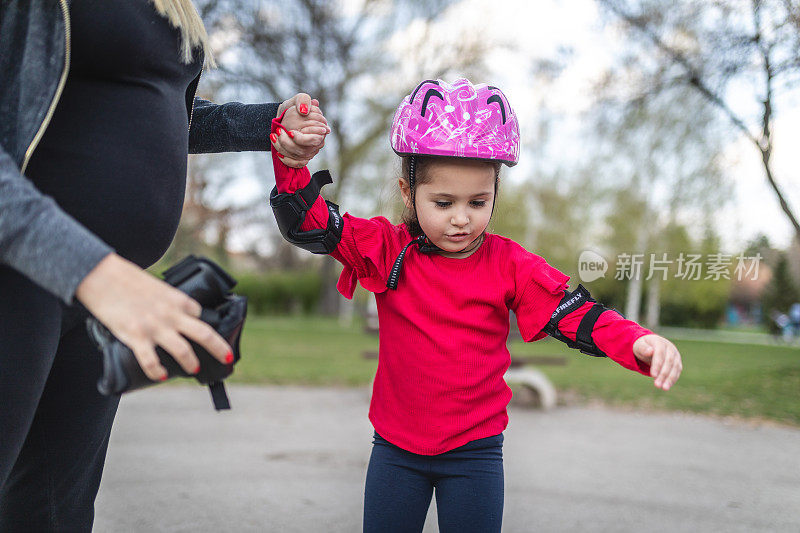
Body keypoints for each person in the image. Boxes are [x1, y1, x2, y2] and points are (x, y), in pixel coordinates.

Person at [269, 78, 683, 532]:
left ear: (494, 196)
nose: (461, 218)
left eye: (478, 202)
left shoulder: (509, 263)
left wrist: (637, 340)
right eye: (443, 202)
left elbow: (574, 314)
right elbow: (311, 222)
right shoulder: (388, 247)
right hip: (395, 450)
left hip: (475, 454)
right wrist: (290, 165)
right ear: (408, 194)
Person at [0, 1, 328, 530]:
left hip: (102, 295)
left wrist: (266, 123)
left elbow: (160, 112)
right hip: (23, 272)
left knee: (55, 508)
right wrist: (89, 268)